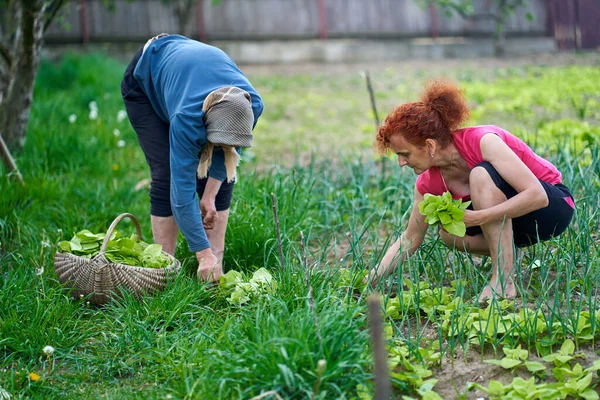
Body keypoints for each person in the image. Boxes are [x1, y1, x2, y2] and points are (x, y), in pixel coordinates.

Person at [369, 79, 574, 302]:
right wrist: (372, 277)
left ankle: (503, 281)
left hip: (552, 207)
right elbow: (411, 238)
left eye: (405, 154)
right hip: (514, 222)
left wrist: (479, 217)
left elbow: (538, 196)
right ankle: (508, 255)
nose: (401, 162)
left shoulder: (483, 141)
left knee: (481, 174)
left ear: (429, 146)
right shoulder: (428, 184)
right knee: (448, 234)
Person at [121, 34, 263, 283]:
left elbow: (231, 150)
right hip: (147, 78)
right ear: (204, 123)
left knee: (223, 174)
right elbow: (181, 191)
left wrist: (209, 195)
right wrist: (201, 253)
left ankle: (216, 265)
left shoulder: (252, 104)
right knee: (167, 174)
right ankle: (164, 270)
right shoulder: (188, 119)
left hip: (186, 79)